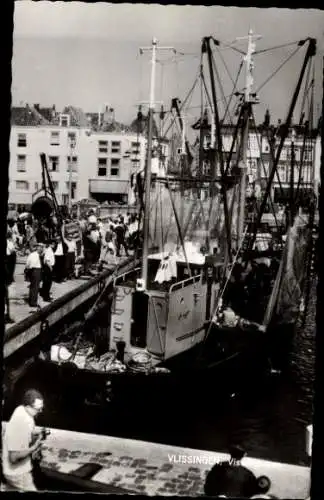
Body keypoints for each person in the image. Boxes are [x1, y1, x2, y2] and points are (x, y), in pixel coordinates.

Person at [2, 389, 44, 491]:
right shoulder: (22, 423)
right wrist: (34, 448)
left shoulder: (21, 409)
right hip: (18, 473)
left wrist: (35, 432)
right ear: (28, 407)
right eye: (38, 409)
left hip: (9, 470)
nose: (41, 411)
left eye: (42, 408)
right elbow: (14, 457)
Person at [25, 243, 43, 311]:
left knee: (32, 286)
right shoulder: (35, 255)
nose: (41, 249)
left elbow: (27, 263)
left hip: (32, 270)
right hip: (36, 270)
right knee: (35, 287)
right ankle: (33, 302)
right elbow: (29, 264)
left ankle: (31, 301)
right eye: (40, 248)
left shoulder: (32, 254)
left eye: (41, 248)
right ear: (37, 248)